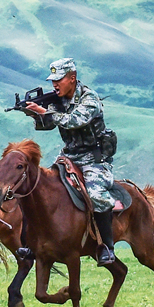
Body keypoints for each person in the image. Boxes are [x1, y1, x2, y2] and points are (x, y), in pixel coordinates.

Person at [20, 57, 118, 265]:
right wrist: (35, 115)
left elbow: (75, 121)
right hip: (69, 156)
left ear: (72, 78)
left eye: (59, 79)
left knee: (96, 195)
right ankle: (31, 242)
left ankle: (107, 247)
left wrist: (47, 113)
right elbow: (48, 126)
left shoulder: (89, 98)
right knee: (40, 188)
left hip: (94, 158)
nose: (55, 84)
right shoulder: (58, 100)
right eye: (52, 81)